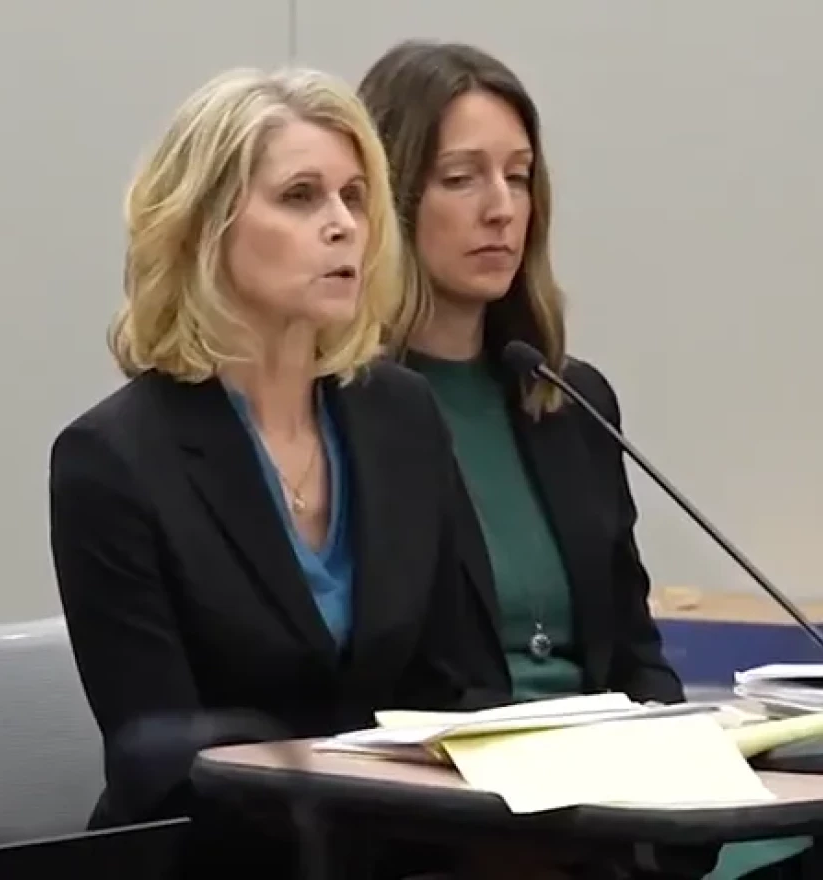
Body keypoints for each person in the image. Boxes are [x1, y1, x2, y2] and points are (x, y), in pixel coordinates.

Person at [357, 40, 823, 880]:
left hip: (618, 792)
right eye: (461, 178)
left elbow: (634, 649)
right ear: (390, 199)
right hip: (471, 815)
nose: (501, 208)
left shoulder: (565, 397)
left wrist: (681, 753)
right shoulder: (351, 412)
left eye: (519, 177)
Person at [47, 67, 510, 879]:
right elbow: (157, 755)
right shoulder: (112, 459)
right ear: (203, 227)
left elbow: (467, 689)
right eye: (300, 197)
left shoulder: (401, 416)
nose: (343, 226)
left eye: (355, 197)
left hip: (405, 856)